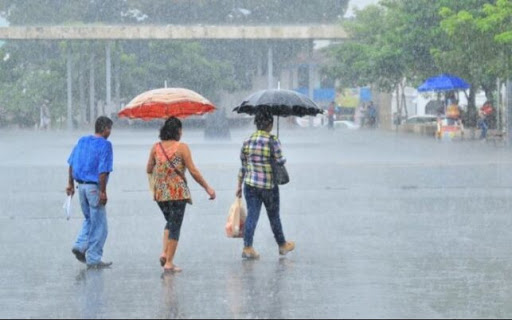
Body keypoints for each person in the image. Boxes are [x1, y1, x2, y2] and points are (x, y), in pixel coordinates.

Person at [146, 117, 216, 273]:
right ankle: (169, 262)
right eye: (181, 130)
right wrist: (207, 188)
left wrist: (162, 173)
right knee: (175, 226)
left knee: (170, 222)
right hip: (177, 193)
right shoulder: (182, 148)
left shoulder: (156, 147)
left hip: (160, 193)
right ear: (177, 131)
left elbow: (149, 168)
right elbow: (193, 171)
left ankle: (164, 252)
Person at [235, 111, 295, 259]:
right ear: (270, 124)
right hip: (268, 186)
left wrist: (238, 185)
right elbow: (280, 161)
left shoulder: (247, 141)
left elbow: (243, 165)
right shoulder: (272, 140)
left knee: (252, 216)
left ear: (256, 123)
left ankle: (247, 247)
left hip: (250, 185)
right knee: (274, 217)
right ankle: (282, 245)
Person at [66, 116, 114, 269]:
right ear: (105, 128)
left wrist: (70, 184)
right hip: (94, 187)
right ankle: (93, 258)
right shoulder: (105, 145)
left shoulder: (82, 141)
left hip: (81, 187)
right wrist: (103, 192)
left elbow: (71, 163)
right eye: (109, 129)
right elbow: (103, 171)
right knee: (100, 225)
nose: (110, 132)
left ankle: (80, 245)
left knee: (89, 219)